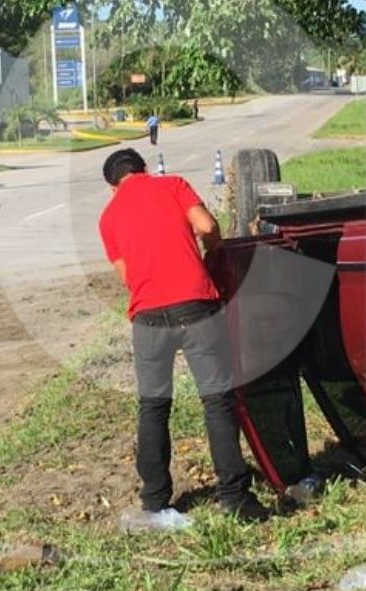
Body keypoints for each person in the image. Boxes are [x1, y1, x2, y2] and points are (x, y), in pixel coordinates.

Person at [97, 148, 269, 523]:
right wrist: (212, 255)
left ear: (113, 187)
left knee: (154, 406)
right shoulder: (172, 185)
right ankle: (235, 498)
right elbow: (207, 227)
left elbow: (127, 276)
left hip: (148, 318)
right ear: (144, 170)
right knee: (217, 400)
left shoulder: (108, 217)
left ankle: (155, 500)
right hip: (196, 307)